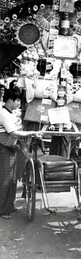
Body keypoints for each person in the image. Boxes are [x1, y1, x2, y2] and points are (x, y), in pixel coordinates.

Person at [0, 88, 42, 219]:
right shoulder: (3, 113)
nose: (19, 103)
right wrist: (31, 133)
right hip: (4, 148)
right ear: (10, 100)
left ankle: (8, 206)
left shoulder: (11, 113)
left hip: (12, 147)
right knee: (5, 180)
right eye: (17, 100)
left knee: (12, 179)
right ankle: (3, 209)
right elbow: (13, 132)